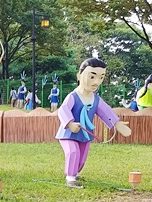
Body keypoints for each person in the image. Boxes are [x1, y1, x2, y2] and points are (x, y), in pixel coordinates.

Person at [56, 57, 132, 188]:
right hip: (69, 133)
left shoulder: (96, 99)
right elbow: (63, 110)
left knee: (81, 158)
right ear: (79, 76)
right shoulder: (73, 96)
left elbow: (106, 112)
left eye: (101, 78)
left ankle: (75, 172)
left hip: (85, 134)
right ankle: (70, 177)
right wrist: (70, 123)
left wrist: (117, 123)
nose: (96, 82)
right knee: (73, 152)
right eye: (92, 77)